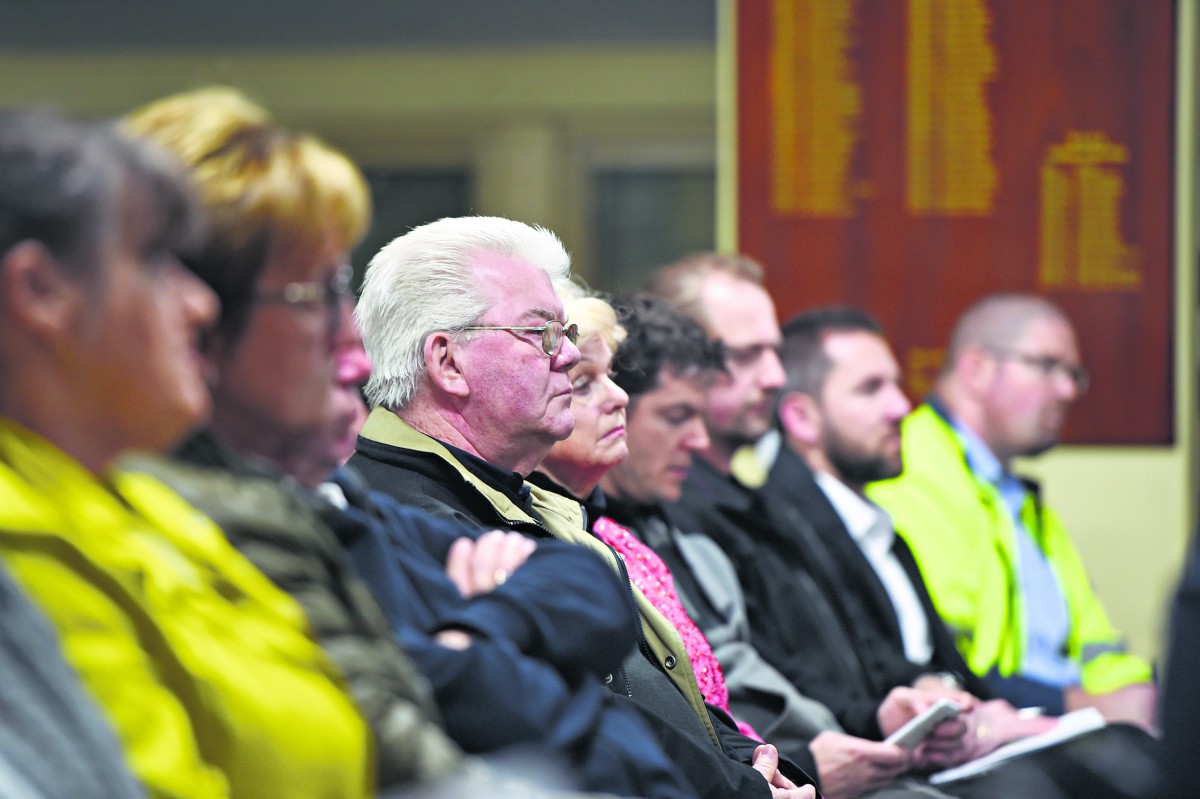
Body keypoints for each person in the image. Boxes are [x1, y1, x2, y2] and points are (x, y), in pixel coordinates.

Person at [126, 87, 686, 799]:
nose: (354, 355)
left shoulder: (331, 497)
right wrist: (496, 639)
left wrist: (475, 636)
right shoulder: (202, 516)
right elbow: (417, 754)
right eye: (311, 296)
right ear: (193, 319)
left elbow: (589, 588)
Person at [350, 216, 818, 799]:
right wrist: (742, 789)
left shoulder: (527, 494)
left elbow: (668, 696)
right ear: (448, 363)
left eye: (566, 333)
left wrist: (754, 763)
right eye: (542, 333)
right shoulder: (401, 513)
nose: (569, 356)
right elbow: (585, 715)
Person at [0, 107, 374, 798]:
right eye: (154, 263)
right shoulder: (18, 532)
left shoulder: (140, 497)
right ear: (40, 292)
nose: (200, 304)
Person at [867, 294, 1156, 727]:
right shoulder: (907, 469)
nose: (1068, 389)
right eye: (1047, 366)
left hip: (1058, 723)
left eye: (1074, 373)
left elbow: (1098, 651)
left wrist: (1146, 700)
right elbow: (941, 662)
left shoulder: (1018, 499)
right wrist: (1082, 705)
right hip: (988, 727)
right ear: (977, 369)